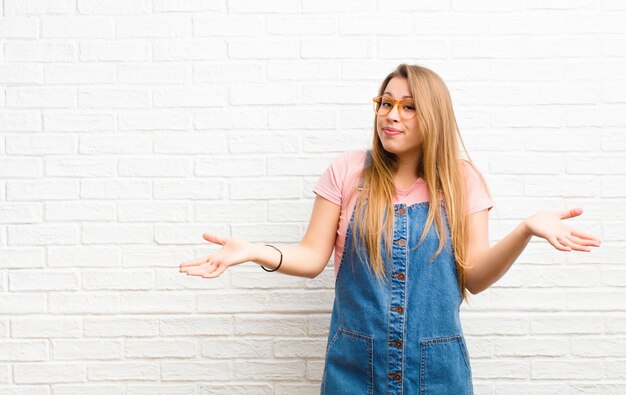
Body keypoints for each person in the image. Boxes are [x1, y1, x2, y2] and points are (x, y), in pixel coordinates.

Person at [179, 64, 601, 394]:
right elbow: (311, 258)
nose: (391, 115)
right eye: (385, 102)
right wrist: (255, 250)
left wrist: (525, 230)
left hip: (438, 374)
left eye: (408, 106)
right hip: (354, 370)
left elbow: (474, 275)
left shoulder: (462, 180)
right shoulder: (347, 172)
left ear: (432, 115)